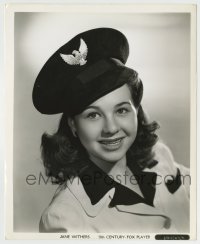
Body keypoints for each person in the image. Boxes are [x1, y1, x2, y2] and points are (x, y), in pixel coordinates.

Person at [32, 28, 190, 233]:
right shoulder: (64, 219)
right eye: (93, 115)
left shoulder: (159, 156)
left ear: (136, 111)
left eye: (122, 110)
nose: (111, 128)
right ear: (73, 125)